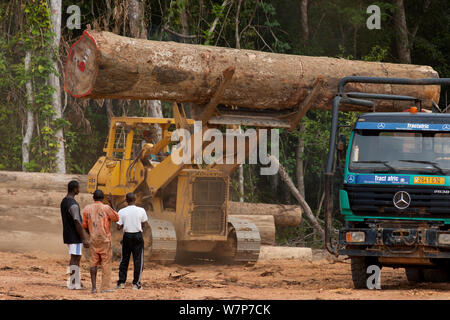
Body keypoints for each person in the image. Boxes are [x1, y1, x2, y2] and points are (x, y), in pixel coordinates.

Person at [82, 189, 119, 293]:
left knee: (93, 263)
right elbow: (116, 218)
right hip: (105, 240)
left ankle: (93, 287)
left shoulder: (87, 209)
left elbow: (84, 225)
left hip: (93, 240)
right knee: (106, 263)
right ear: (103, 198)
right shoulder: (106, 208)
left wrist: (89, 236)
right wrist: (112, 203)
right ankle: (105, 287)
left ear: (93, 198)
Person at [60, 180, 89, 290]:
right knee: (75, 258)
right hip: (74, 235)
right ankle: (73, 282)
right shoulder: (73, 204)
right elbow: (77, 221)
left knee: (75, 257)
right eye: (78, 188)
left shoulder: (64, 201)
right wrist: (84, 238)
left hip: (68, 233)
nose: (79, 190)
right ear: (75, 189)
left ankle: (75, 280)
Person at [116, 193, 148, 290]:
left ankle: (121, 283)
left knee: (124, 260)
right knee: (138, 261)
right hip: (138, 236)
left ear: (126, 200)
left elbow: (118, 227)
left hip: (127, 236)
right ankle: (136, 284)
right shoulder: (141, 210)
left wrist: (123, 224)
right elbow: (144, 224)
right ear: (135, 199)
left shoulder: (121, 211)